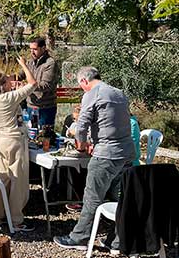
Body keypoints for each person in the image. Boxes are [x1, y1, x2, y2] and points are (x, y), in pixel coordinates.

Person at [54, 66, 136, 252]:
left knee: (92, 197)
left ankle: (80, 237)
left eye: (80, 85)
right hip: (126, 153)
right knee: (121, 198)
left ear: (84, 81)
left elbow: (81, 126)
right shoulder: (118, 93)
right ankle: (118, 241)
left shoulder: (92, 93)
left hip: (106, 154)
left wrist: (81, 145)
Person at [0, 57, 37, 232]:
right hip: (14, 140)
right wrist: (24, 64)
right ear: (2, 84)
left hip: (0, 140)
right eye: (7, 79)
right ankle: (16, 219)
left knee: (3, 180)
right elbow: (33, 83)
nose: (11, 81)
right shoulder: (9, 98)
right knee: (18, 181)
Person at [22, 37, 59, 127]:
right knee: (30, 134)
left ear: (43, 48)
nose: (32, 52)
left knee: (44, 137)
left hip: (45, 108)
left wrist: (25, 86)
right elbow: (20, 75)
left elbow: (45, 86)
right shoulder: (30, 61)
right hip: (30, 106)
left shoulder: (50, 63)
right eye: (30, 49)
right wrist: (8, 79)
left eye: (35, 49)